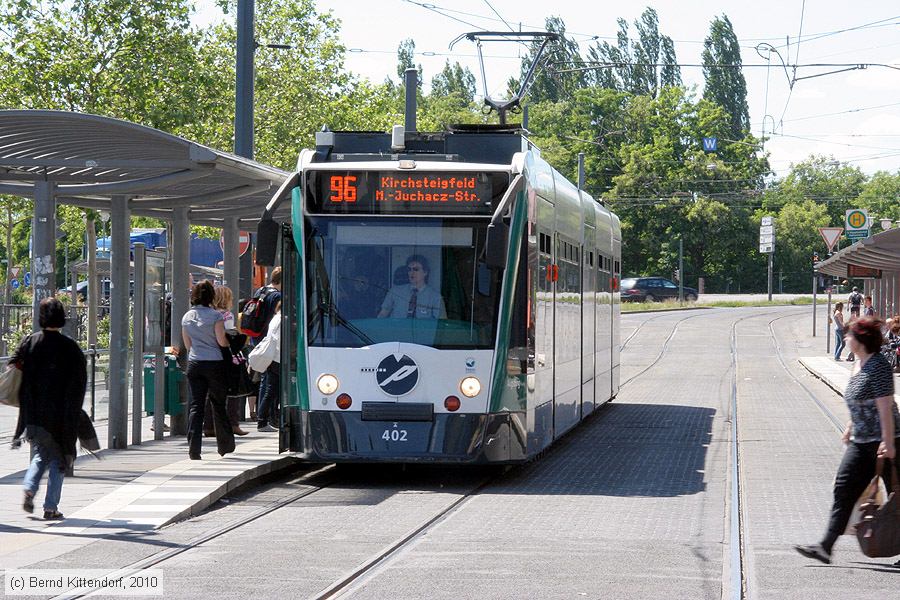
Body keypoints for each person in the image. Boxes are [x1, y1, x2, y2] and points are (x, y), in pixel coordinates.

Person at [794, 317, 899, 564]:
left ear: (861, 340)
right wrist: (850, 426)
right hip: (861, 442)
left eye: (850, 335)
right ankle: (825, 547)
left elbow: (885, 407)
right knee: (843, 489)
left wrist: (888, 442)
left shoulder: (879, 366)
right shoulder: (859, 365)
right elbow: (859, 401)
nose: (846, 338)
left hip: (885, 442)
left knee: (897, 493)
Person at [12, 298, 87, 520]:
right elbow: (79, 382)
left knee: (39, 455)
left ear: (41, 317)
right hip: (61, 416)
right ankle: (51, 507)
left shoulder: (31, 342)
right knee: (59, 460)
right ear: (62, 318)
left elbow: (14, 364)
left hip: (34, 413)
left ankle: (29, 487)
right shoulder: (70, 347)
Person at [181, 280, 235, 460]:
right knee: (218, 404)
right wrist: (230, 341)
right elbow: (221, 341)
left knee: (196, 406)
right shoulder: (215, 316)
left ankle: (194, 450)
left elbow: (188, 345)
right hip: (214, 364)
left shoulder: (187, 317)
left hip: (195, 364)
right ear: (211, 296)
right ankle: (224, 446)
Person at [203, 285, 247, 437]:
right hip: (226, 356)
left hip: (209, 355)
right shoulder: (226, 315)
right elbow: (228, 336)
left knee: (211, 393)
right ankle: (233, 424)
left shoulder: (208, 314)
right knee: (232, 391)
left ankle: (208, 426)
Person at [254, 268, 282, 432]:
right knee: (270, 385)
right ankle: (267, 418)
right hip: (272, 345)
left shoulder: (261, 291)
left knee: (266, 381)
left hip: (260, 341)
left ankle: (263, 417)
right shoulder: (277, 296)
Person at [377, 254, 446, 319]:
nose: (412, 273)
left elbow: (441, 323)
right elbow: (382, 315)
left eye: (416, 269)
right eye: (409, 269)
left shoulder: (435, 297)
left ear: (425, 272)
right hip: (397, 331)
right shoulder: (395, 291)